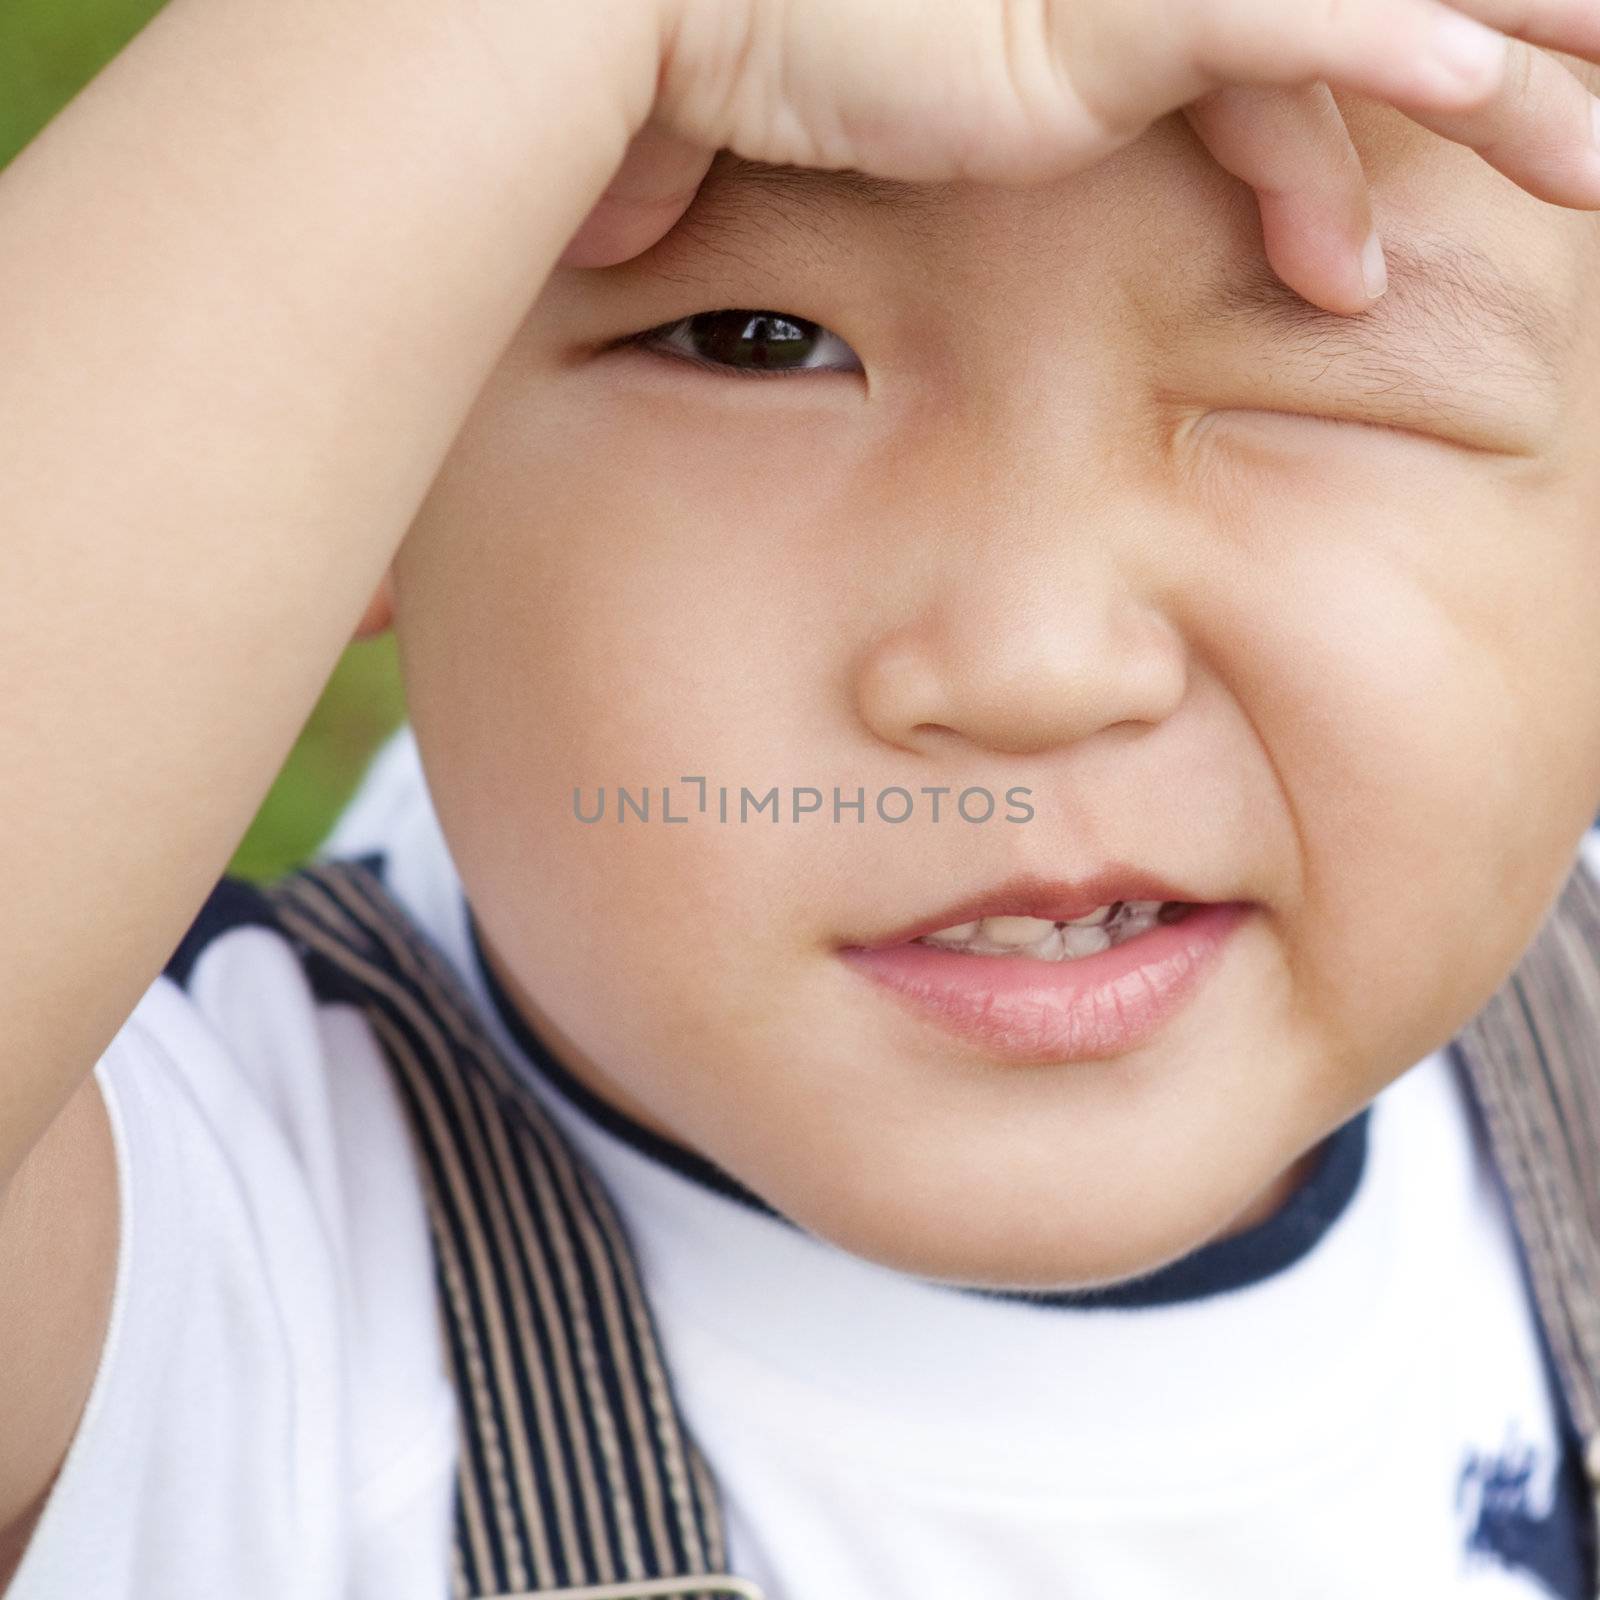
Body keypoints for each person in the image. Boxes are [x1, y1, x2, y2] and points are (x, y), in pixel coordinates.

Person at [3, 0, 1600, 1595]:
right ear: (357, 443)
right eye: (749, 341)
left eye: (1329, 379)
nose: (1030, 659)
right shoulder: (221, 1290)